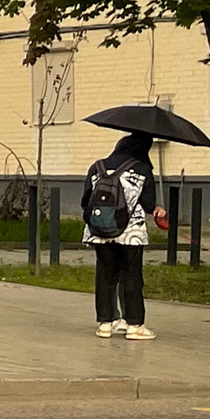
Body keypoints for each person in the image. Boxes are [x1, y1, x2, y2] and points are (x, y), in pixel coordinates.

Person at [83, 131, 166, 340]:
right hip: (131, 233)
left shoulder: (97, 167)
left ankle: (105, 323)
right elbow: (147, 204)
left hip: (99, 230)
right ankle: (134, 325)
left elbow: (86, 201)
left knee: (105, 275)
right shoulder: (142, 169)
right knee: (131, 276)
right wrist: (158, 210)